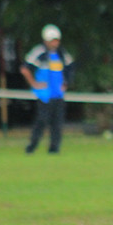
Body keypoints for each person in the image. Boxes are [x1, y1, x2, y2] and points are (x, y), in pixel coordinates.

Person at [20, 24, 76, 154]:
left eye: (56, 40)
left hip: (58, 94)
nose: (55, 43)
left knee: (57, 123)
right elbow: (25, 69)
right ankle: (32, 146)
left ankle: (54, 148)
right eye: (52, 41)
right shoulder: (39, 52)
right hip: (44, 95)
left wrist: (66, 83)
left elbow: (70, 68)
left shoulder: (62, 54)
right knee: (42, 121)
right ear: (46, 40)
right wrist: (34, 83)